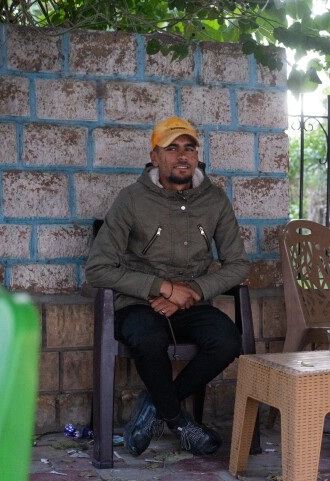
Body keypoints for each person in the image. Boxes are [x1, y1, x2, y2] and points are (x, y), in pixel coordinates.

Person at [85, 116, 251, 457]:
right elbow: (97, 269)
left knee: (226, 339)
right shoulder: (131, 199)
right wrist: (162, 287)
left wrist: (191, 290)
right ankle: (178, 421)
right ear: (155, 157)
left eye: (189, 148)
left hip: (191, 303)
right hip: (139, 303)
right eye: (171, 148)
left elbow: (238, 264)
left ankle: (156, 404)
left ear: (197, 156)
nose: (182, 156)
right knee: (148, 337)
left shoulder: (215, 200)